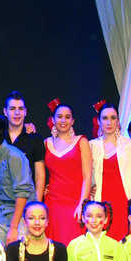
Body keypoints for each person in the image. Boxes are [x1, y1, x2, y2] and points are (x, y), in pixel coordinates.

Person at [88, 103, 131, 240]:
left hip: (123, 202)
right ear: (98, 121)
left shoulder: (129, 146)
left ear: (118, 121)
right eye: (105, 118)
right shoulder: (91, 146)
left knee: (124, 241)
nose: (109, 122)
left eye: (113, 118)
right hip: (100, 201)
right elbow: (84, 175)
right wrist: (89, 189)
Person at [0, 115, 35, 244]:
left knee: (18, 249)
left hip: (22, 213)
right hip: (2, 211)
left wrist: (14, 228)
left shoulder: (14, 156)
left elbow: (22, 194)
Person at [42, 103, 91, 243]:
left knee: (74, 244)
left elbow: (87, 176)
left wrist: (82, 203)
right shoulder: (46, 143)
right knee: (54, 245)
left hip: (75, 202)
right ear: (53, 119)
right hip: (53, 204)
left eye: (67, 117)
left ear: (72, 121)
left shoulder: (81, 141)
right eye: (59, 116)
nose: (63, 120)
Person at [3, 91, 46, 202]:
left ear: (25, 112)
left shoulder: (35, 139)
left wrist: (37, 204)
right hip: (2, 204)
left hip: (27, 203)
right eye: (12, 109)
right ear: (5, 112)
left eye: (21, 109)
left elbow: (40, 175)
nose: (17, 113)